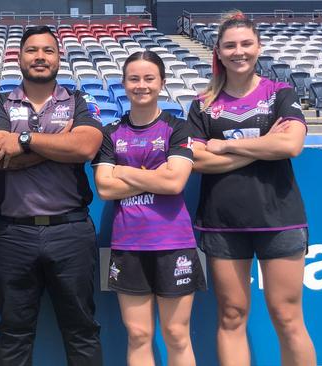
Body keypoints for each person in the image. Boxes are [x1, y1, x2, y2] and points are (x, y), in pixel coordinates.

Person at [187, 11, 316, 366]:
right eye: (230, 45)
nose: (238, 51)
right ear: (218, 50)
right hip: (222, 223)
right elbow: (196, 160)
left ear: (258, 47)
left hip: (280, 219)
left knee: (287, 318)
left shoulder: (280, 94)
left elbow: (290, 146)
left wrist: (225, 146)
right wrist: (262, 146)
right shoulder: (202, 104)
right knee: (231, 314)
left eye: (246, 43)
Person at [0, 25, 104, 366]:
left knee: (81, 330)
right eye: (32, 50)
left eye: (48, 50)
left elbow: (87, 145)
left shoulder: (80, 99)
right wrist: (58, 144)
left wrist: (23, 140)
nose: (40, 57)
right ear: (18, 57)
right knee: (14, 332)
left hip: (71, 232)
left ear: (59, 57)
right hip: (14, 234)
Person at [92, 50, 206, 366]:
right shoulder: (110, 133)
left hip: (174, 245)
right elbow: (104, 187)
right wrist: (154, 175)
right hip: (128, 246)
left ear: (162, 83)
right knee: (139, 335)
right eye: (134, 79)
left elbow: (174, 184)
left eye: (149, 78)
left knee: (176, 334)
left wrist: (125, 172)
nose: (141, 85)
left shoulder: (178, 128)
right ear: (124, 84)